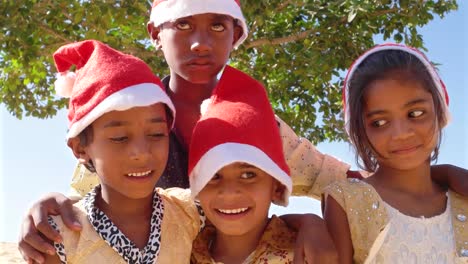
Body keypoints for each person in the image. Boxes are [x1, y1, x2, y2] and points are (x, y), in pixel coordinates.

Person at [18, 0, 468, 262]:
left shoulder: (260, 124)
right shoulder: (132, 115)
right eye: (183, 25)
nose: (200, 42)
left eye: (218, 25)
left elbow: (348, 181)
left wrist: (442, 174)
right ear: (156, 34)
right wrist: (43, 203)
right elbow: (88, 198)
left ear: (236, 34)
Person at [44, 39, 202, 263]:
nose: (141, 153)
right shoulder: (59, 237)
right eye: (120, 138)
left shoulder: (190, 214)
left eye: (157, 134)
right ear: (80, 148)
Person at [323, 43, 468, 263]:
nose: (400, 134)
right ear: (360, 129)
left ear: (440, 111)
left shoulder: (463, 199)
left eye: (415, 113)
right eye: (379, 122)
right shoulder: (347, 201)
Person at [189, 65, 297, 263]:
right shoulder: (183, 251)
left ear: (277, 186)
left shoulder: (307, 253)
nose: (229, 192)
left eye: (248, 175)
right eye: (213, 176)